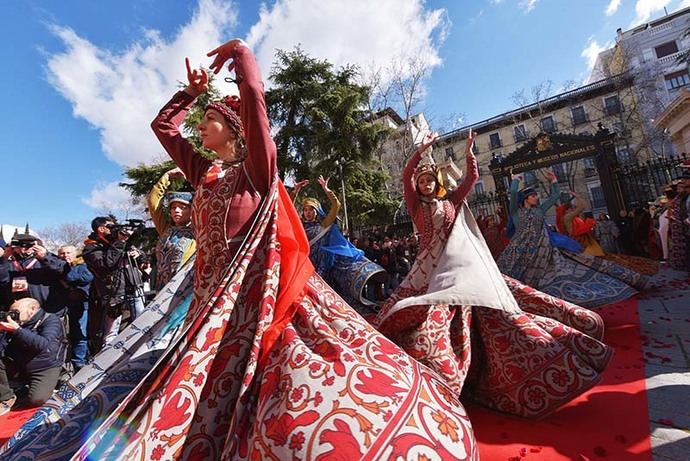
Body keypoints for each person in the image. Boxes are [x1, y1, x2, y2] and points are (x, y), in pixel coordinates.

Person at [2, 40, 477, 460]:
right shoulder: (203, 175)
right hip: (208, 304)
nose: (200, 130)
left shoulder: (256, 172)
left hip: (261, 299)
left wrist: (245, 59)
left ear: (233, 132)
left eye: (208, 122)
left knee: (274, 377)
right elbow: (163, 126)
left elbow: (254, 104)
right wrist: (191, 96)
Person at [374, 130, 611, 419]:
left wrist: (470, 153)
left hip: (455, 267)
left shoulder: (451, 202)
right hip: (425, 269)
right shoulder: (415, 206)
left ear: (437, 183)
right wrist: (421, 151)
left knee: (476, 309)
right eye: (421, 181)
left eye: (429, 180)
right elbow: (406, 174)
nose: (424, 184)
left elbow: (471, 180)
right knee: (410, 312)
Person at [497, 171, 648, 308]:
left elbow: (554, 197)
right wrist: (515, 180)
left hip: (542, 249)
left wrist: (554, 181)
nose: (536, 198)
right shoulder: (515, 212)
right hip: (521, 250)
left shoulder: (540, 210)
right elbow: (512, 194)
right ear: (525, 198)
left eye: (536, 195)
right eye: (533, 196)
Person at [294, 175, 387, 308]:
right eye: (305, 210)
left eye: (311, 210)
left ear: (317, 211)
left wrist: (326, 190)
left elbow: (336, 205)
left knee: (328, 296)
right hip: (306, 266)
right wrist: (295, 192)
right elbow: (287, 211)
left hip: (323, 267)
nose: (308, 213)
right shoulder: (299, 226)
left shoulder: (324, 224)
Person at [82, 216, 146, 353]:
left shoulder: (118, 242)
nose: (115, 229)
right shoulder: (91, 247)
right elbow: (105, 264)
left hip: (133, 287)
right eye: (111, 226)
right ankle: (106, 362)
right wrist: (120, 242)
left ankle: (140, 353)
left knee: (141, 322)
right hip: (113, 293)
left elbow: (142, 259)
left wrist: (139, 254)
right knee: (111, 331)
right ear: (101, 228)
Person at [0, 298, 67, 415]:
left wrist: (17, 330)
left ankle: (40, 385)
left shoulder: (51, 320)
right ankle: (7, 397)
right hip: (20, 363)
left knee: (36, 400)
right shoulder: (19, 324)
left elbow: (43, 345)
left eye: (16, 312)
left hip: (44, 367)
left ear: (32, 310)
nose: (12, 316)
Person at [147, 168, 196, 291]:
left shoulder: (198, 232)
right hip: (161, 291)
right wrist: (166, 176)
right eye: (173, 207)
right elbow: (153, 203)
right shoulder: (166, 229)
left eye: (182, 207)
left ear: (192, 210)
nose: (177, 211)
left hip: (186, 291)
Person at [0, 229, 68, 316]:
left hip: (48, 311)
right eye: (20, 245)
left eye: (28, 245)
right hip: (21, 313)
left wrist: (45, 256)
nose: (24, 248)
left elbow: (64, 271)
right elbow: (3, 280)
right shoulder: (9, 263)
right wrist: (4, 258)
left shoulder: (44, 260)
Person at [57, 245, 93, 371]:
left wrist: (67, 274)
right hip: (62, 306)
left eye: (68, 253)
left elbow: (85, 278)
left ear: (75, 254)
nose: (65, 255)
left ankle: (79, 362)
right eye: (62, 253)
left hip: (80, 305)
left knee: (80, 334)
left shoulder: (82, 266)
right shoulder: (56, 267)